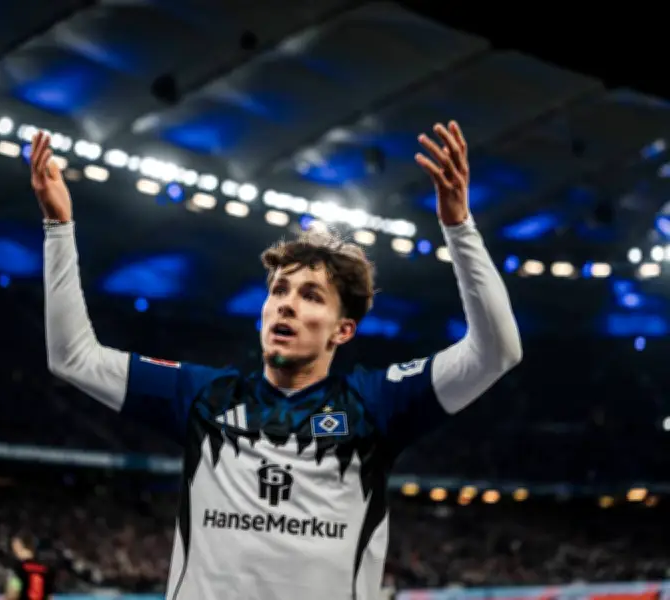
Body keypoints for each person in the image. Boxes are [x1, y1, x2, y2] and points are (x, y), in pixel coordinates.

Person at [30, 121, 521, 600]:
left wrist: (459, 227)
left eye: (311, 296)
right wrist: (58, 227)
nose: (286, 304)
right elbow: (73, 357)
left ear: (343, 330)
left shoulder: (375, 406)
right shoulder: (204, 398)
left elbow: (497, 351)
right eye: (279, 291)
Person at [5, 532, 54, 600]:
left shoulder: (17, 568)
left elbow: (12, 595)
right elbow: (49, 597)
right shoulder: (46, 568)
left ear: (18, 545)